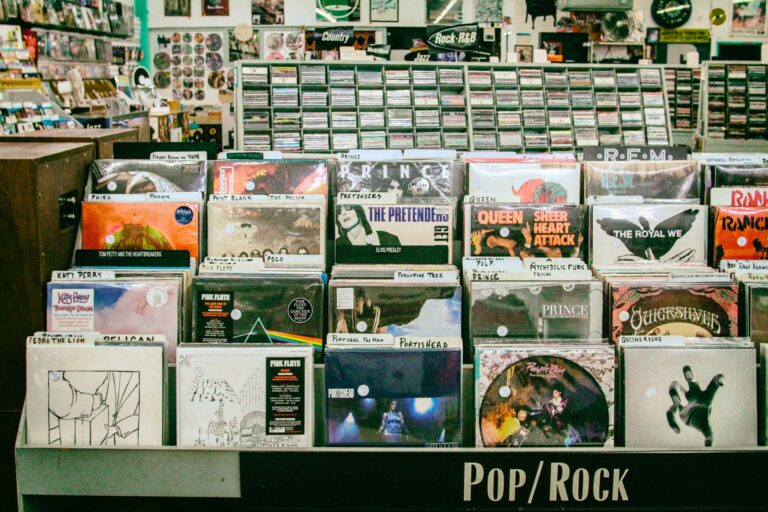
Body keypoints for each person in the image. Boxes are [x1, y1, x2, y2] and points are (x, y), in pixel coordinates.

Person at [335, 204, 400, 247]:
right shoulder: (336, 245)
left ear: (359, 212)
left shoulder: (389, 239)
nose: (343, 213)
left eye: (348, 208)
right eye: (339, 212)